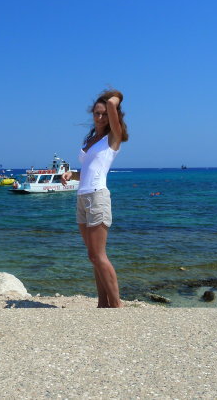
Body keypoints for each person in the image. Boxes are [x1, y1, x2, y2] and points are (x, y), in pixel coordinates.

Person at [62, 89, 129, 308]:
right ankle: (102, 303)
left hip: (98, 196)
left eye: (104, 114)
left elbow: (112, 102)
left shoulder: (114, 137)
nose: (100, 117)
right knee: (93, 256)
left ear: (112, 115)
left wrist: (114, 97)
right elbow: (88, 171)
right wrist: (72, 175)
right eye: (97, 113)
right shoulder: (91, 140)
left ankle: (116, 305)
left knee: (99, 255)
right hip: (82, 196)